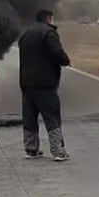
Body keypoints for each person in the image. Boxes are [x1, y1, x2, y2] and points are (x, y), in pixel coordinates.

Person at [18, 9, 72, 161]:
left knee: (29, 116)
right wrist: (65, 60)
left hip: (26, 83)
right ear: (49, 19)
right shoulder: (48, 33)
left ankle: (31, 149)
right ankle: (58, 151)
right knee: (52, 116)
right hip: (45, 83)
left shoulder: (26, 34)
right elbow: (57, 52)